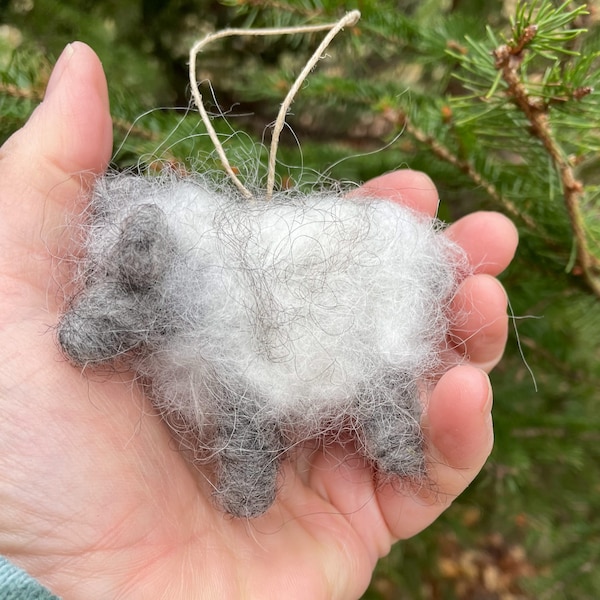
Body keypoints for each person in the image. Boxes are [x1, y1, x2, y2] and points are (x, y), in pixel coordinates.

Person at [0, 42, 518, 599]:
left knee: (294, 399)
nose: (93, 334)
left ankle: (381, 417)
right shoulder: (196, 296)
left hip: (350, 301)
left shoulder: (218, 325)